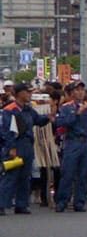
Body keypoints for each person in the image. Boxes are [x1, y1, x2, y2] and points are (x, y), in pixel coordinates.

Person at [0, 83, 51, 215]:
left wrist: (49, 117)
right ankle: (2, 204)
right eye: (27, 92)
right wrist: (11, 147)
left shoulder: (28, 110)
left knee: (25, 176)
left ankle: (21, 204)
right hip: (16, 144)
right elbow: (6, 131)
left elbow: (38, 120)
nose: (30, 95)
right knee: (11, 176)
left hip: (27, 145)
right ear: (19, 93)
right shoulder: (10, 109)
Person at [54, 81, 87, 213]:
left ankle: (80, 202)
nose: (80, 92)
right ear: (71, 93)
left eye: (82, 89)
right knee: (68, 173)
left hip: (86, 142)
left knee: (83, 174)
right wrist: (77, 113)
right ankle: (62, 201)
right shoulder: (66, 107)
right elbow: (61, 123)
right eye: (77, 90)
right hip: (73, 141)